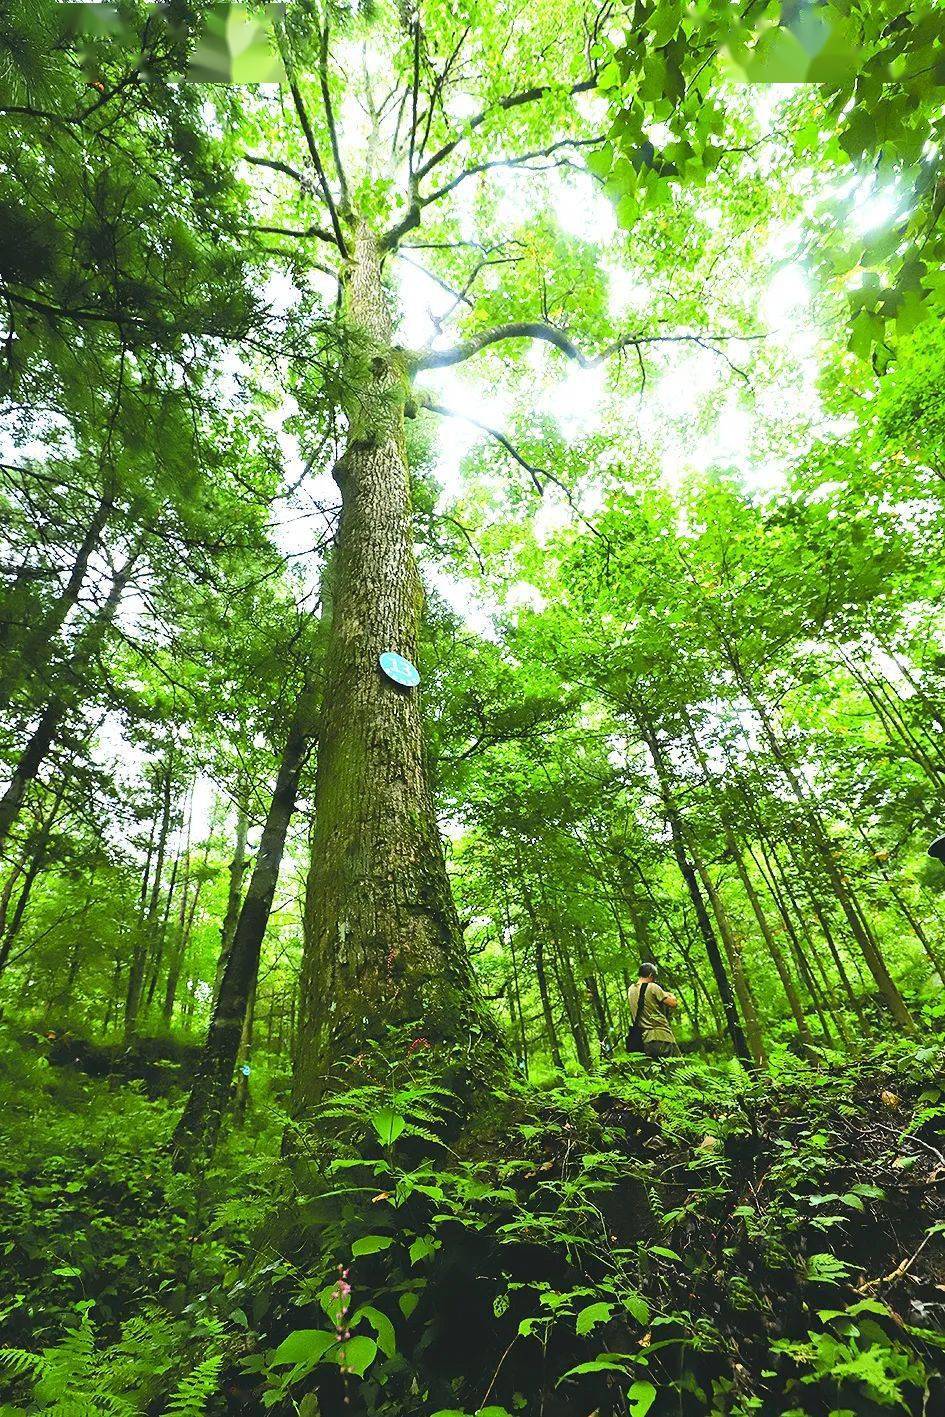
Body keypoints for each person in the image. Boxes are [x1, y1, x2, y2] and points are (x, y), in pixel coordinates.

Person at [627, 962, 680, 1059]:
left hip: (644, 1040)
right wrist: (671, 995)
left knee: (655, 1071)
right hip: (662, 1036)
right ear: (651, 975)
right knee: (677, 1070)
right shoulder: (653, 987)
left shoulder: (631, 989)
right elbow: (673, 1003)